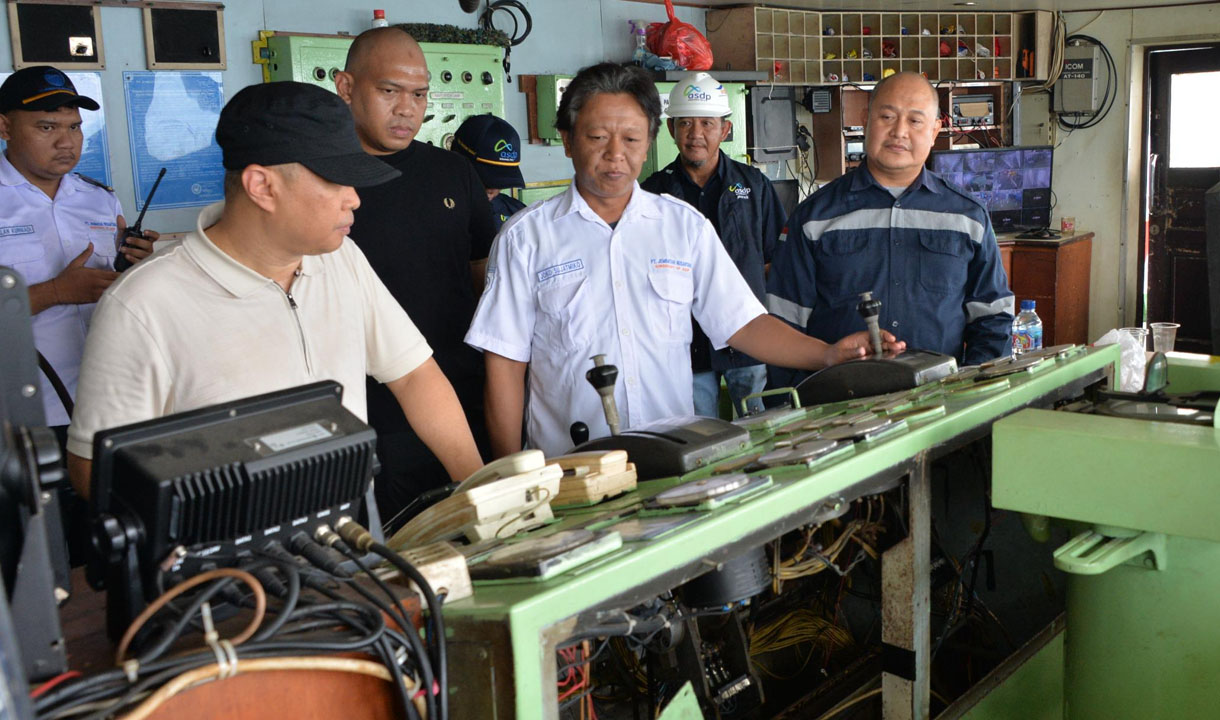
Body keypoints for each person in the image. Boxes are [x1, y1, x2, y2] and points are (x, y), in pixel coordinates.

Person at [66, 81, 484, 498]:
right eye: (337, 182)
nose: (354, 199)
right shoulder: (142, 305)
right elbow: (93, 473)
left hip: (349, 542)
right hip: (228, 557)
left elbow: (415, 377)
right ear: (262, 186)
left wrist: (482, 491)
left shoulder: (341, 260)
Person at [465, 62, 903, 459]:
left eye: (632, 139)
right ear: (567, 140)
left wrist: (826, 354)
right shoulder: (526, 237)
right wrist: (514, 476)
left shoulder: (683, 228)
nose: (616, 153)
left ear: (650, 141)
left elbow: (743, 323)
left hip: (672, 458)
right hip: (572, 468)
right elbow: (504, 365)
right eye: (598, 137)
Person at [334, 28, 496, 517]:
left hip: (463, 400)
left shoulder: (453, 173)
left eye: (419, 94)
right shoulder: (321, 183)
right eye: (389, 91)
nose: (407, 108)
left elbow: (482, 279)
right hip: (371, 415)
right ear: (346, 87)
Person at [766, 71, 1013, 390]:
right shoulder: (814, 217)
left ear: (936, 129)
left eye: (915, 121)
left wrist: (969, 395)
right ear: (866, 119)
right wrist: (794, 408)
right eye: (887, 116)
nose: (899, 132)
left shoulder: (967, 217)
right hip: (838, 408)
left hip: (939, 404)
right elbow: (783, 321)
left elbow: (992, 318)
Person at [0, 66, 158, 436]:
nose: (66, 142)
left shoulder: (99, 200)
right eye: (46, 127)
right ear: (5, 128)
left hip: (108, 400)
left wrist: (139, 267)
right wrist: (55, 292)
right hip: (23, 415)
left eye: (74, 127)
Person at [642, 72, 784, 419]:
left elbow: (775, 260)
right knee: (698, 439)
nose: (696, 134)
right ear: (672, 129)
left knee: (761, 430)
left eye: (707, 123)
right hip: (685, 345)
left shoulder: (754, 186)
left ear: (725, 129)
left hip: (748, 339)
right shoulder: (653, 193)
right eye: (686, 123)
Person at [452, 113, 528, 231]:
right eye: (486, 179)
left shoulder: (517, 214)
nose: (492, 190)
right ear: (457, 159)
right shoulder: (432, 211)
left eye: (502, 182)